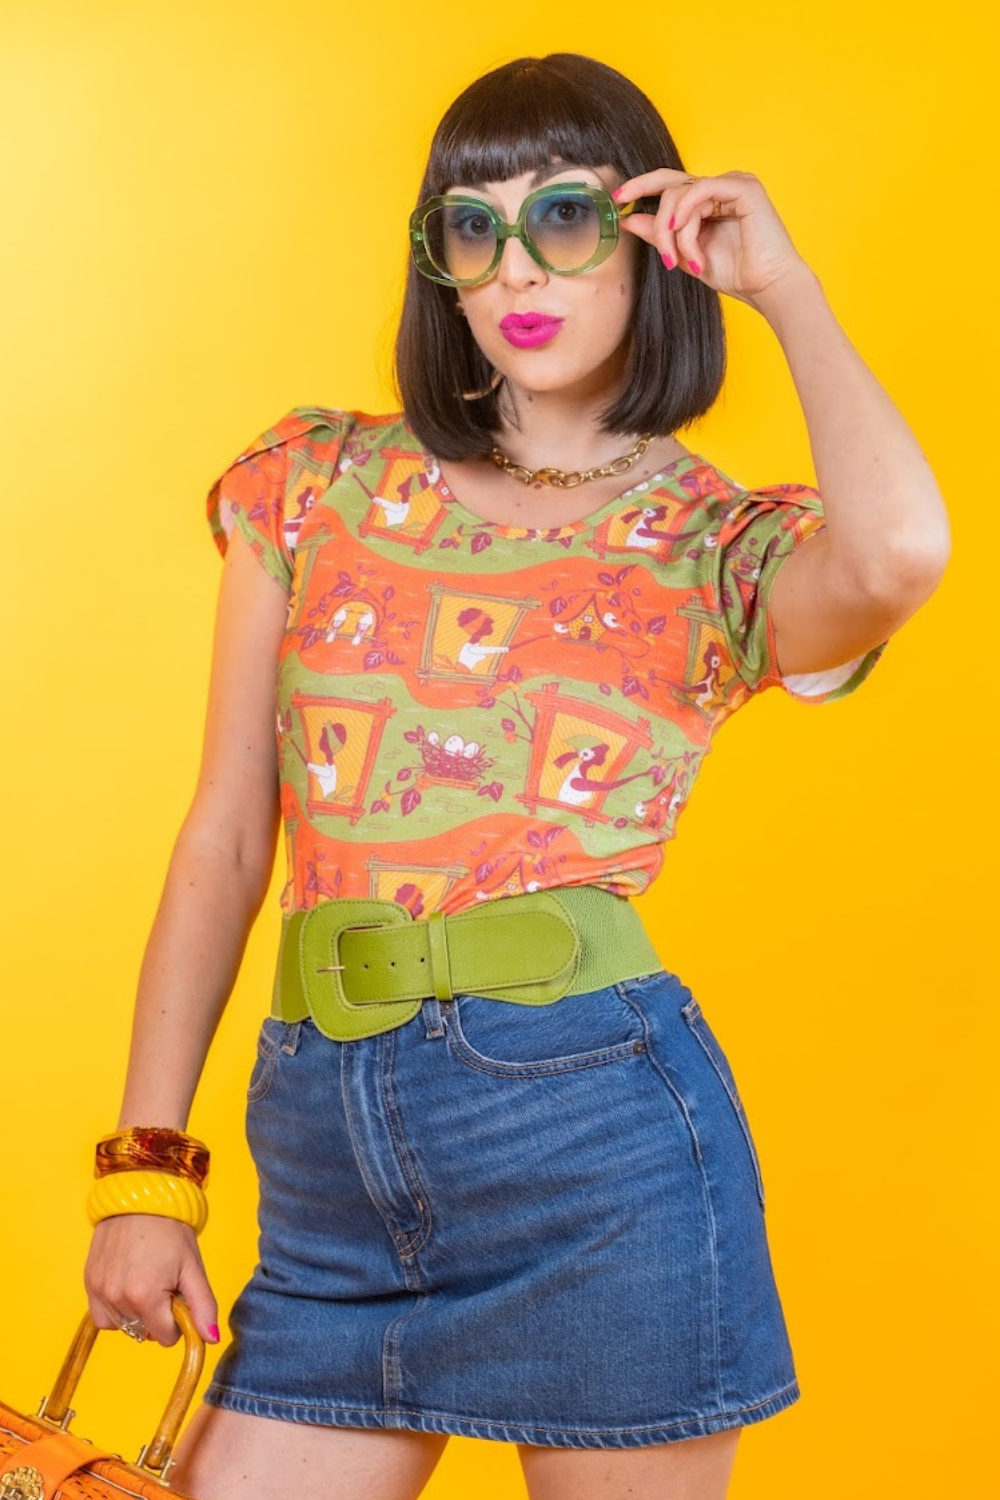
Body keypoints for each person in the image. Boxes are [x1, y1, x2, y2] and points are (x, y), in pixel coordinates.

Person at [82, 51, 948, 1500]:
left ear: (650, 240)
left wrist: (784, 287)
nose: (514, 263)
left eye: (565, 215)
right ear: (442, 265)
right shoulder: (314, 483)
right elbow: (228, 838)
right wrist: (144, 1174)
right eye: (472, 227)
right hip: (326, 1158)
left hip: (593, 1143)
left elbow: (898, 560)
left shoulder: (711, 541)